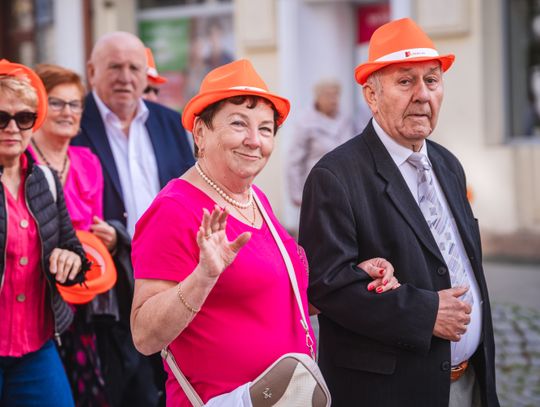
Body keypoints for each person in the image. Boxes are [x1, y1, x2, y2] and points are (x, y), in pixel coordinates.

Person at [130, 59, 398, 406]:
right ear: (200, 133)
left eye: (266, 129)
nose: (255, 141)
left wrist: (356, 275)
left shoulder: (255, 199)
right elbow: (144, 336)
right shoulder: (174, 209)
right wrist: (204, 277)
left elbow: (283, 297)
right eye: (238, 123)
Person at [299, 18, 500, 407]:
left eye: (432, 80)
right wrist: (425, 314)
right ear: (371, 96)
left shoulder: (448, 164)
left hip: (470, 381)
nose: (423, 95)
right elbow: (326, 287)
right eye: (405, 82)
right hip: (392, 393)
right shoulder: (334, 176)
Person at [72, 31, 195, 406]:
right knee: (120, 386)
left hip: (168, 273)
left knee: (170, 377)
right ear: (92, 72)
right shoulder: (73, 121)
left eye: (134, 68)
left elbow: (189, 191)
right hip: (105, 281)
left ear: (146, 74)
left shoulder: (170, 122)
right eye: (114, 67)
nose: (125, 77)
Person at [0, 59, 89, 406]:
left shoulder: (47, 180)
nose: (12, 128)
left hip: (36, 349)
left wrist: (70, 260)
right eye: (1, 118)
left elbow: (73, 249)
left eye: (24, 118)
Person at [31, 63, 112, 406]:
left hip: (81, 294)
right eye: (57, 103)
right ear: (38, 107)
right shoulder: (21, 158)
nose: (68, 112)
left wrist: (108, 237)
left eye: (75, 104)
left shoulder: (87, 161)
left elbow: (95, 228)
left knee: (86, 389)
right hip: (35, 294)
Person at [287, 79, 354, 207]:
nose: (333, 100)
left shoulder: (346, 120)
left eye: (336, 95)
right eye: (329, 95)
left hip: (344, 188)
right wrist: (297, 194)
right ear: (318, 98)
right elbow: (295, 161)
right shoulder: (306, 122)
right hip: (317, 188)